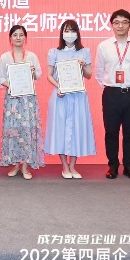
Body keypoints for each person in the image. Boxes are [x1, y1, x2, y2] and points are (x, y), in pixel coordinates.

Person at [95, 9, 130, 181]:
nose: (120, 26)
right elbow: (99, 72)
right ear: (111, 25)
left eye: (124, 22)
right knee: (111, 132)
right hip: (111, 94)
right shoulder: (104, 46)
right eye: (116, 22)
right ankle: (112, 166)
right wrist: (113, 86)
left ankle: (129, 167)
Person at [43, 20, 96, 179]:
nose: (70, 34)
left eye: (73, 30)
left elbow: (89, 75)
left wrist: (83, 64)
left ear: (77, 33)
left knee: (76, 129)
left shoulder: (84, 52)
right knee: (60, 129)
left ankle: (73, 166)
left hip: (78, 96)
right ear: (62, 33)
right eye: (66, 30)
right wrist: (59, 86)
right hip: (61, 96)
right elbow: (49, 75)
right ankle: (64, 166)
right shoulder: (54, 52)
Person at [0, 25, 44, 180]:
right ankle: (16, 165)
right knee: (13, 131)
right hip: (12, 99)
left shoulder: (31, 56)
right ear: (10, 38)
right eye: (15, 35)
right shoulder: (5, 57)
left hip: (28, 99)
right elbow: (0, 78)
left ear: (25, 38)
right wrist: (12, 86)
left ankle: (25, 166)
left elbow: (38, 75)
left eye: (21, 35)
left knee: (27, 130)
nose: (18, 38)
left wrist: (33, 72)